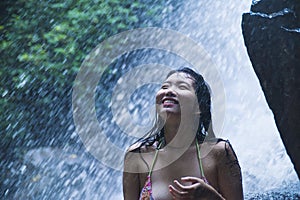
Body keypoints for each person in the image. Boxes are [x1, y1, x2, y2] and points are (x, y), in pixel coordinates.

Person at [123, 67, 243, 200]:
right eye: (164, 87)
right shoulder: (138, 155)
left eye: (182, 87)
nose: (169, 91)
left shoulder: (219, 153)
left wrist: (210, 196)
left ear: (199, 107)